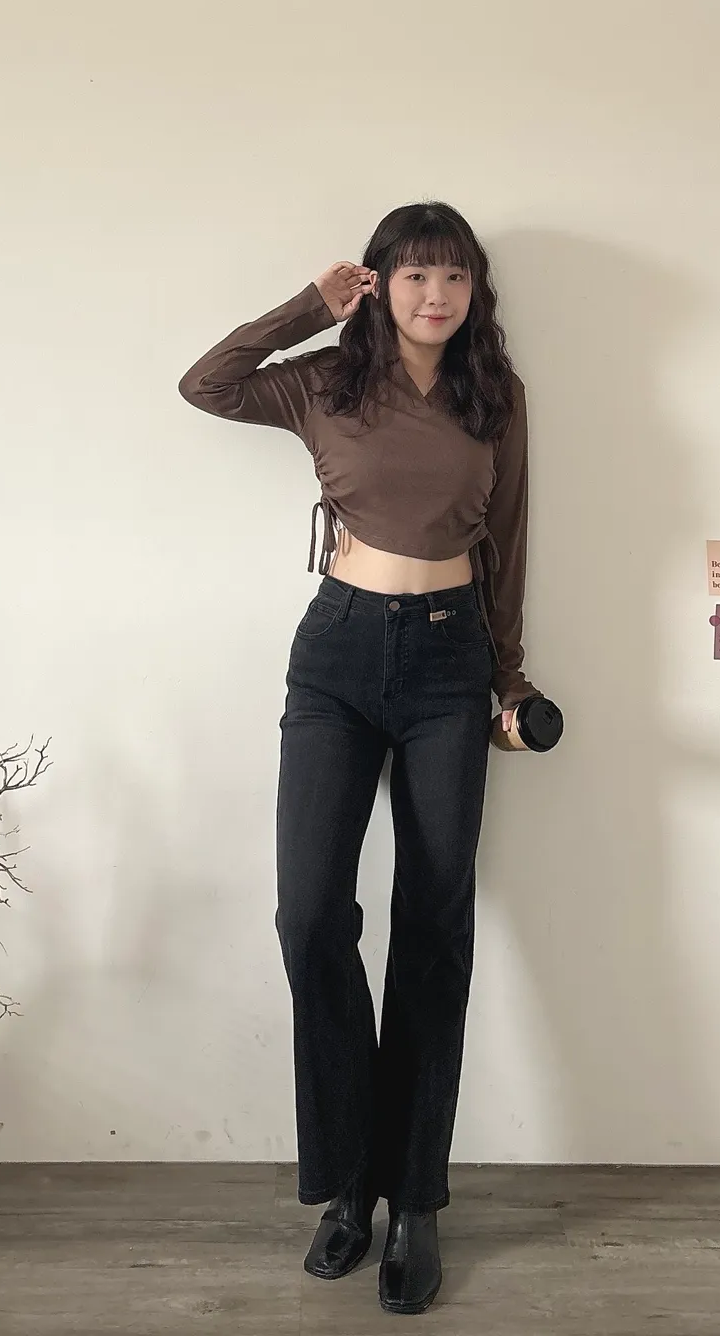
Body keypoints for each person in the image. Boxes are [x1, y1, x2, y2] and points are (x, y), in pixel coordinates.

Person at [178, 200, 540, 1316]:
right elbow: (207, 383)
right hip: (335, 656)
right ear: (379, 284)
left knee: (435, 928)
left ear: (475, 291)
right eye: (415, 275)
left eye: (455, 276)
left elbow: (510, 541)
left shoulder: (496, 396)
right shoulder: (326, 381)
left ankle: (414, 1198)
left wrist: (509, 679)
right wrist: (308, 306)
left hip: (448, 662)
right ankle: (347, 1181)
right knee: (309, 918)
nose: (437, 295)